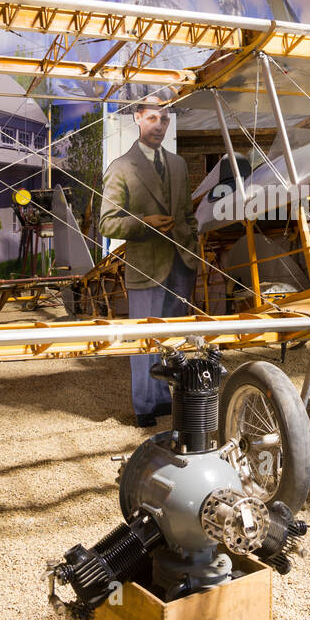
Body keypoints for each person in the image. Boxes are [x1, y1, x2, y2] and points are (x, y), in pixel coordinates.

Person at [98, 93, 198, 427]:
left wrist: (191, 243)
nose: (159, 126)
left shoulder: (180, 165)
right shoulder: (121, 168)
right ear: (138, 118)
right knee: (143, 340)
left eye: (165, 119)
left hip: (181, 263)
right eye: (153, 118)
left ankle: (161, 398)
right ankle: (143, 405)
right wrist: (145, 222)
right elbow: (106, 223)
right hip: (146, 266)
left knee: (172, 338)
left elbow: (186, 213)